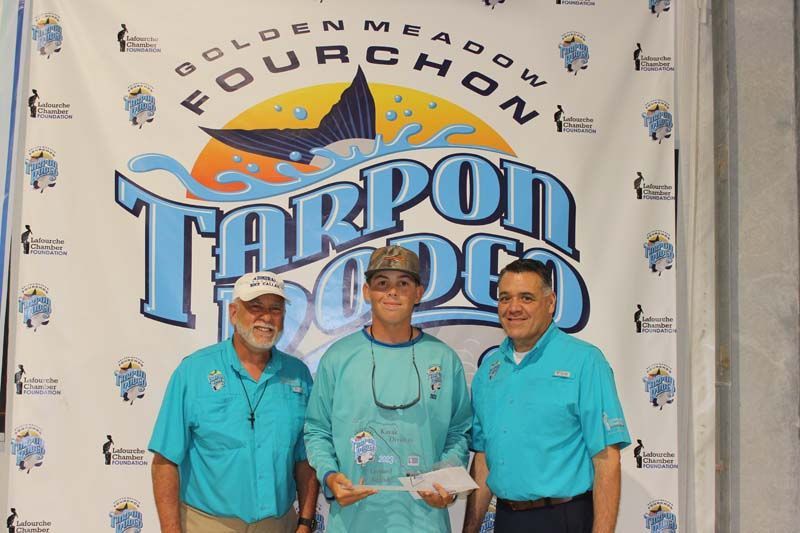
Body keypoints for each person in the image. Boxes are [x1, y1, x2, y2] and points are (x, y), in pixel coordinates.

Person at [304, 245, 472, 532]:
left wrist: (445, 477)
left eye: (403, 283)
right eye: (382, 283)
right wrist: (331, 477)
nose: (392, 292)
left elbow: (459, 432)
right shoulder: (339, 357)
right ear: (367, 291)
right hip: (354, 521)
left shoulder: (443, 359)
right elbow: (317, 430)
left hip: (424, 522)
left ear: (418, 293)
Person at [463, 259, 630, 533]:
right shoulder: (488, 372)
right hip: (506, 519)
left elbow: (607, 460)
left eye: (526, 298)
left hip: (564, 518)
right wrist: (469, 530)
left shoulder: (585, 361)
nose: (513, 307)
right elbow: (483, 459)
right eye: (505, 298)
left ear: (550, 302)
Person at [149, 271, 319, 533]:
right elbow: (165, 461)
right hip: (207, 524)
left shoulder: (298, 376)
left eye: (275, 309)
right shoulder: (193, 372)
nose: (266, 317)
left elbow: (306, 459)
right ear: (233, 312)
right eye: (255, 307)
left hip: (278, 525)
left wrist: (306, 522)